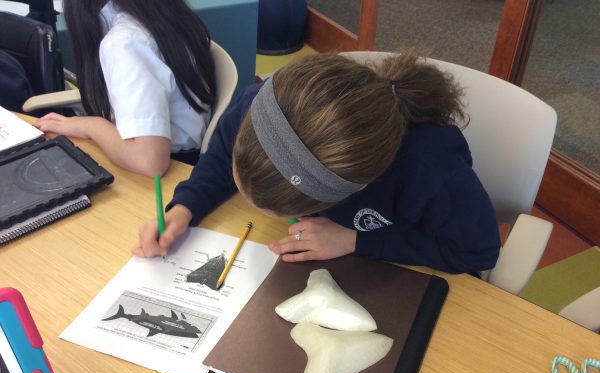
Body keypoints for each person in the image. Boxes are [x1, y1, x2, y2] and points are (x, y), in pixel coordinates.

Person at [133, 52, 501, 275]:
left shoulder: (430, 171)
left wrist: (355, 239)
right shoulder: (267, 101)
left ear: (358, 189)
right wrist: (186, 206)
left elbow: (476, 251)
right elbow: (227, 145)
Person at [33, 0, 216, 176]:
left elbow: (150, 161)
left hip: (166, 172)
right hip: (184, 159)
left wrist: (90, 125)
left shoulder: (124, 42)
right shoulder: (159, 12)